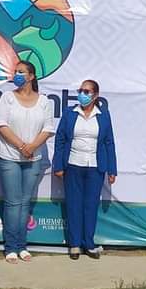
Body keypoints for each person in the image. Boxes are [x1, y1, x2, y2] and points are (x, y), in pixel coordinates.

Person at [0, 61, 55, 264]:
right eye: (15, 72)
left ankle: (22, 245)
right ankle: (11, 247)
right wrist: (21, 146)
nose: (16, 75)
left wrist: (32, 147)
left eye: (21, 72)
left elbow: (48, 128)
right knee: (13, 203)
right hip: (9, 157)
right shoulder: (7, 98)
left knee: (25, 202)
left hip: (33, 158)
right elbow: (1, 124)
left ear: (31, 76)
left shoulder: (44, 101)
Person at [52, 80, 118, 260]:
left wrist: (112, 169)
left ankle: (88, 243)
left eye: (87, 91)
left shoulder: (103, 115)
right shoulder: (70, 113)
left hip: (95, 167)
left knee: (91, 206)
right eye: (81, 90)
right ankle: (74, 244)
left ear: (95, 95)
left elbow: (109, 142)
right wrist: (58, 165)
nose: (82, 94)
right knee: (74, 205)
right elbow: (60, 140)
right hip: (73, 165)